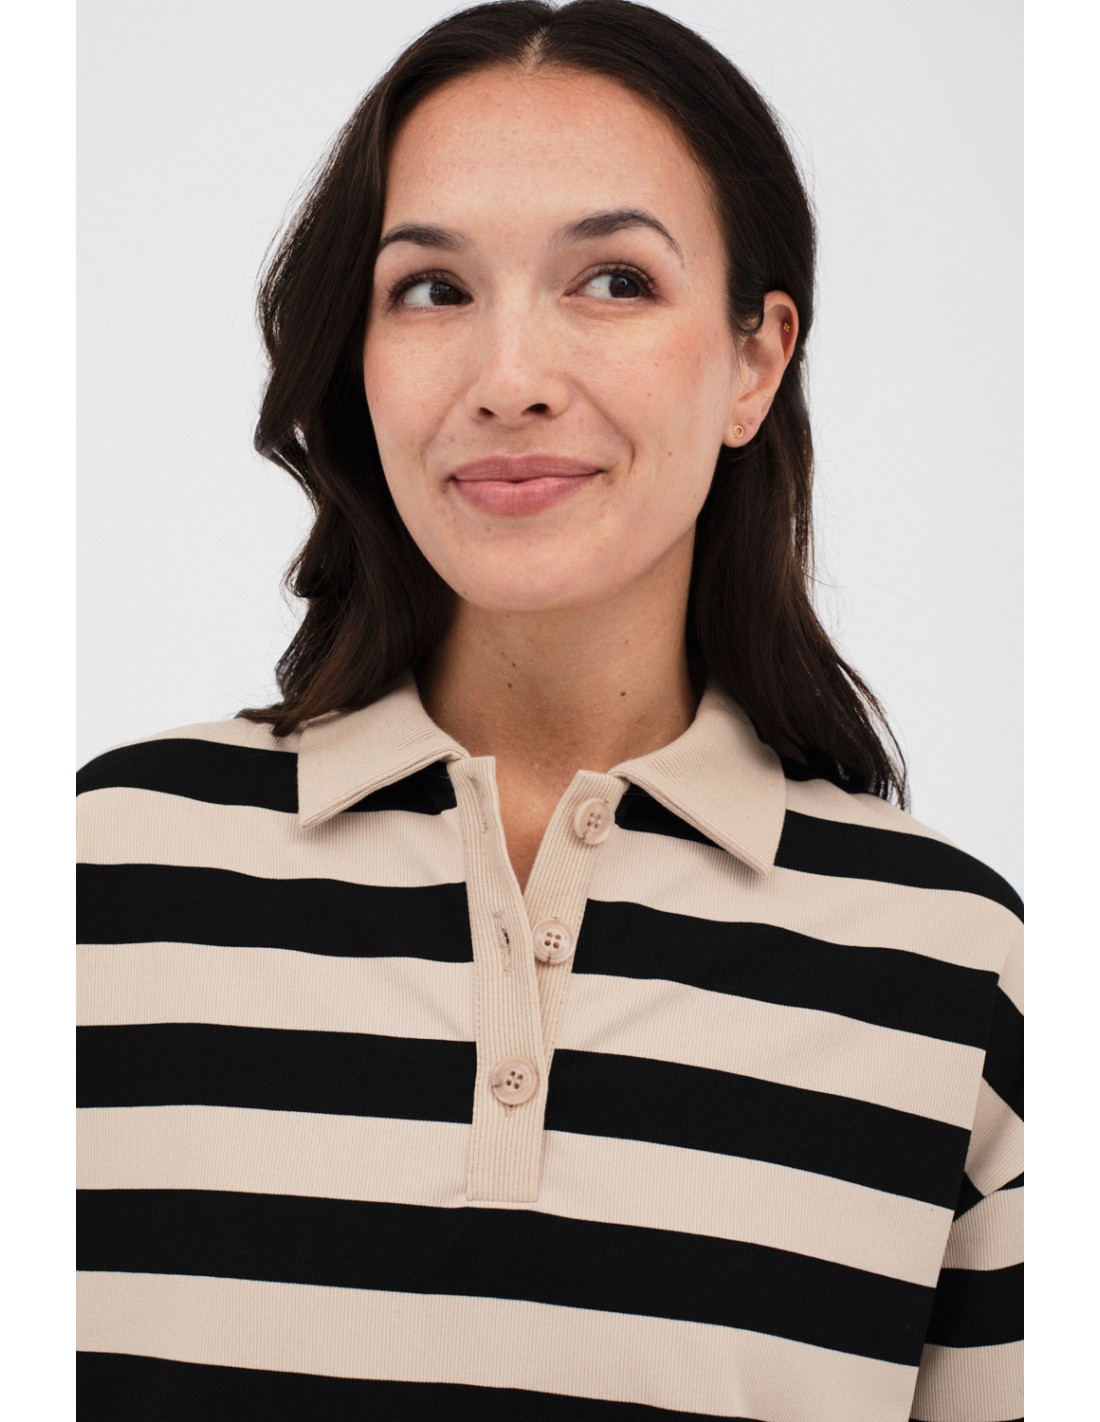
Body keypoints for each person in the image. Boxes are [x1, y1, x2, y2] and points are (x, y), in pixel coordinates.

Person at [76, 2, 1023, 1418]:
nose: (509, 381)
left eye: (614, 280)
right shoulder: (91, 882)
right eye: (431, 290)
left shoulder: (961, 978)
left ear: (757, 359)